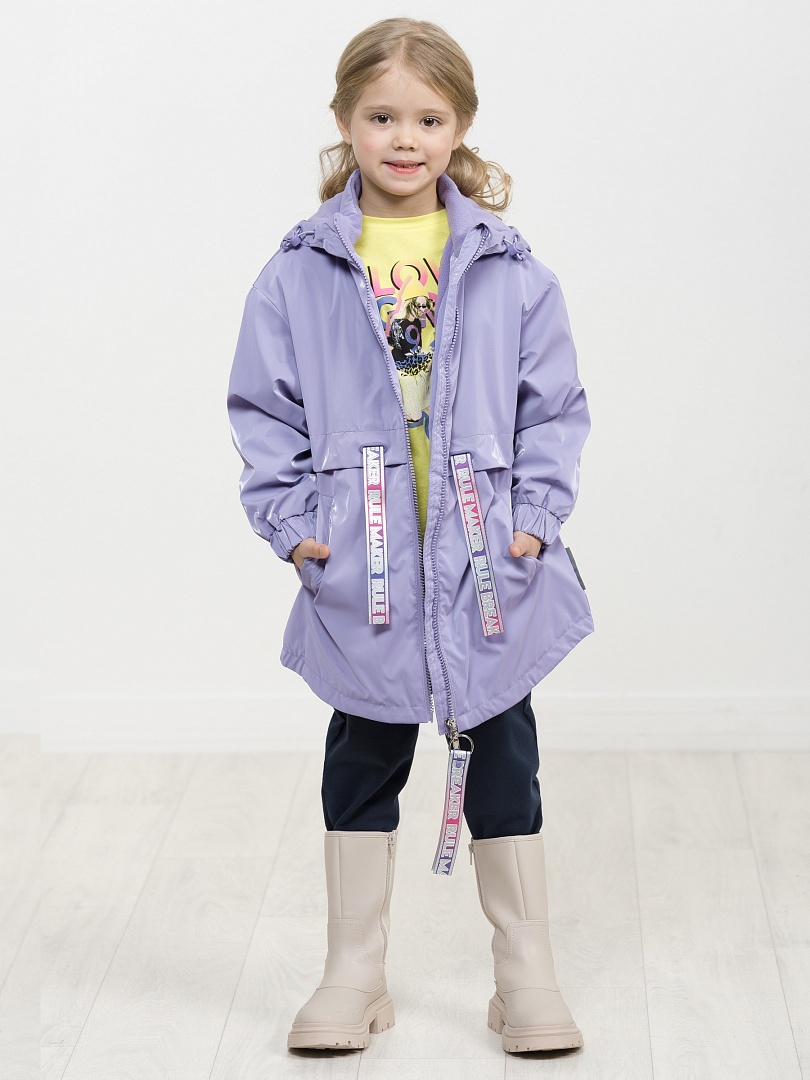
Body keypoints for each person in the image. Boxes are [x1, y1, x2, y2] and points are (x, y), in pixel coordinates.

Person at [227, 17, 594, 1055]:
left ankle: (525, 974)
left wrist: (534, 523)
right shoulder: (302, 271)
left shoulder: (508, 266)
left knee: (504, 751)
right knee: (364, 751)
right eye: (382, 116)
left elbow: (554, 406)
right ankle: (353, 972)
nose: (404, 138)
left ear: (460, 126)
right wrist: (297, 529)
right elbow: (264, 408)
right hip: (366, 567)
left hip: (489, 565)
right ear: (345, 121)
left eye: (428, 119)